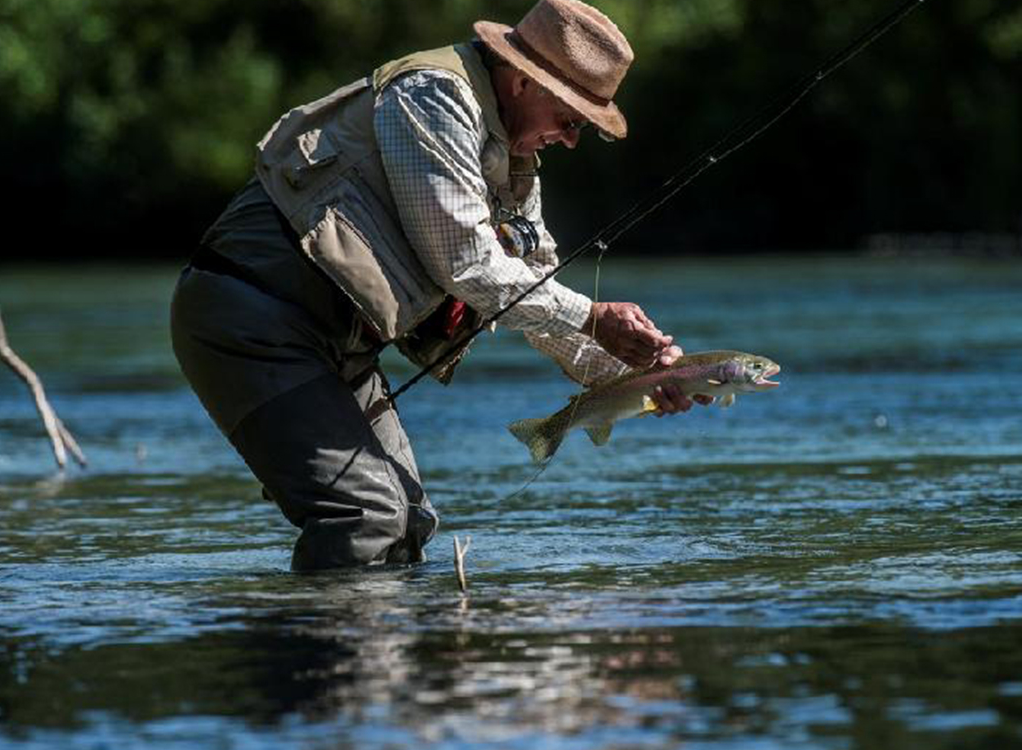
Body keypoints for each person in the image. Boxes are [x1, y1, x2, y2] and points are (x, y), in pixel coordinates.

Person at [170, 0, 706, 571]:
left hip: (330, 341)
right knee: (365, 518)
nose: (571, 140)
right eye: (571, 119)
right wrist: (595, 318)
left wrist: (640, 380)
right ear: (525, 81)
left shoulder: (513, 162)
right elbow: (469, 264)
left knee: (409, 524)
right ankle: (323, 655)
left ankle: (378, 654)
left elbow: (531, 289)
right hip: (251, 315)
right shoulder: (432, 98)